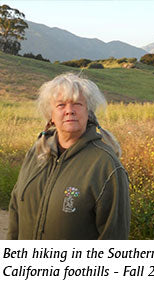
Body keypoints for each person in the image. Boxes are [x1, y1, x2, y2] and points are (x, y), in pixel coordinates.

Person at [7, 73, 130, 240]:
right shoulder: (36, 153)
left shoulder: (106, 165)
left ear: (89, 112)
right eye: (61, 105)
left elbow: (114, 237)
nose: (69, 111)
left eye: (77, 104)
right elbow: (15, 208)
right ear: (50, 114)